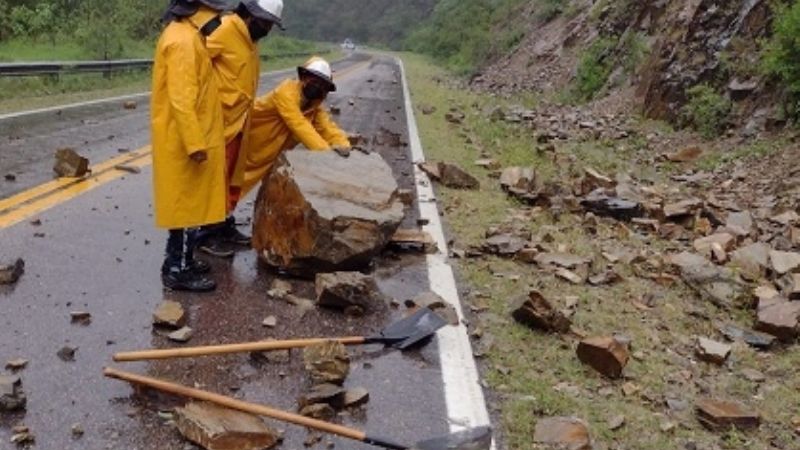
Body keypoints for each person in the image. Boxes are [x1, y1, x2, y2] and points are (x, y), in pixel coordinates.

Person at [151, 0, 229, 292]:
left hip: (187, 137)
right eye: (216, 13)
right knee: (186, 209)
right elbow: (182, 99)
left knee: (189, 206)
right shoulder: (183, 42)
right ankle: (178, 270)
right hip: (185, 142)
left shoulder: (188, 36)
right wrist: (195, 143)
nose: (219, 20)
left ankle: (179, 260)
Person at [198, 0, 285, 258]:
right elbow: (197, 64)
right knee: (214, 179)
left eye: (271, 25)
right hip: (219, 120)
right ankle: (205, 235)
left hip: (239, 121)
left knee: (230, 178)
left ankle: (223, 225)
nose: (267, 30)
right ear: (250, 15)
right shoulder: (225, 29)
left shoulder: (250, 40)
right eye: (265, 23)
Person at [238, 56, 352, 197]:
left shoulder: (314, 108)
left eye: (322, 84)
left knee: (237, 189)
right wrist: (325, 153)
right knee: (223, 181)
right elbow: (299, 124)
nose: (317, 86)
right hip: (242, 141)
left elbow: (328, 127)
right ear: (304, 77)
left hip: (264, 154)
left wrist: (342, 144)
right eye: (314, 81)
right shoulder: (285, 92)